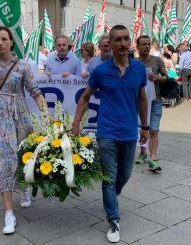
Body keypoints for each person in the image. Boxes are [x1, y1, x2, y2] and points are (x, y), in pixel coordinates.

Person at [72, 25, 149, 243]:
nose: (123, 43)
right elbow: (85, 97)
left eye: (126, 39)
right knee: (109, 177)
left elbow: (142, 98)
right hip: (106, 131)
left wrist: (145, 127)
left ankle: (110, 199)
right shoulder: (101, 71)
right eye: (118, 40)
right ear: (111, 44)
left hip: (129, 131)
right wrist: (76, 123)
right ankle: (113, 219)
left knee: (124, 175)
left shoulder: (139, 69)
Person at [0, 26, 48, 235]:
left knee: (22, 157)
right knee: (2, 162)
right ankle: (9, 212)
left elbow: (35, 92)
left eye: (4, 39)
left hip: (20, 117)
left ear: (11, 42)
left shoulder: (23, 66)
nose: (0, 43)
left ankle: (25, 188)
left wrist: (47, 114)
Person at [135, 35, 167, 172]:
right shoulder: (133, 63)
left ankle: (153, 158)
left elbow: (167, 77)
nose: (147, 46)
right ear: (138, 47)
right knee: (143, 128)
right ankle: (143, 152)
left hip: (156, 100)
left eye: (148, 44)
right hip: (140, 101)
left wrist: (158, 77)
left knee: (154, 130)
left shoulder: (157, 60)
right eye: (144, 44)